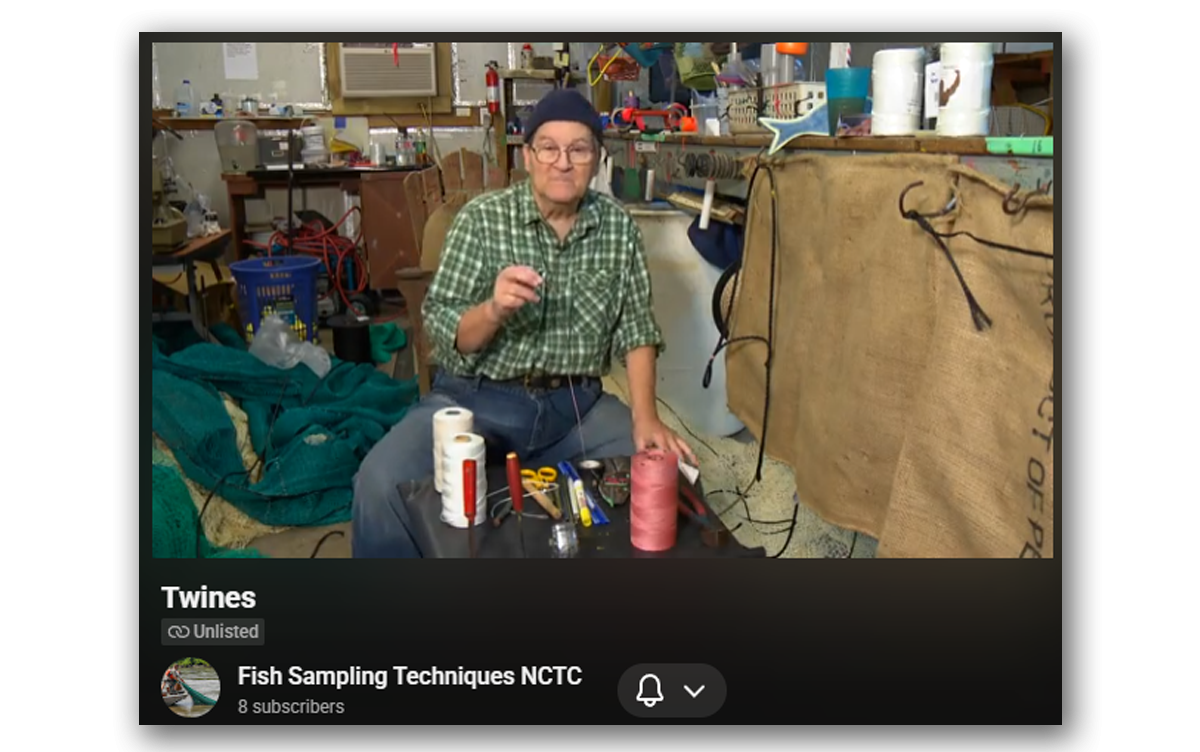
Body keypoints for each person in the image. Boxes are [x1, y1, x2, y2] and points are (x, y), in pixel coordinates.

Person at [352, 88, 695, 558]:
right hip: (475, 400)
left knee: (667, 474)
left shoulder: (617, 229)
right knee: (379, 483)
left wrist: (646, 417)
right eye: (549, 148)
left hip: (576, 410)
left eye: (578, 149)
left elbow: (636, 330)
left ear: (597, 159)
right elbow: (446, 334)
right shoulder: (481, 220)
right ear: (528, 157)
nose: (563, 162)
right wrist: (492, 310)